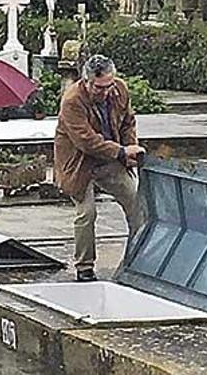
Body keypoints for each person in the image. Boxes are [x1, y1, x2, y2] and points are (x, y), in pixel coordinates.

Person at [53, 54, 146, 282]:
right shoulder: (72, 100)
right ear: (86, 81)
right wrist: (122, 152)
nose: (104, 91)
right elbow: (86, 141)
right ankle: (84, 266)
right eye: (98, 87)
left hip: (111, 158)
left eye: (108, 86)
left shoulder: (119, 90)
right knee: (86, 213)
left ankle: (139, 257)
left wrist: (130, 145)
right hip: (79, 162)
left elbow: (127, 121)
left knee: (137, 203)